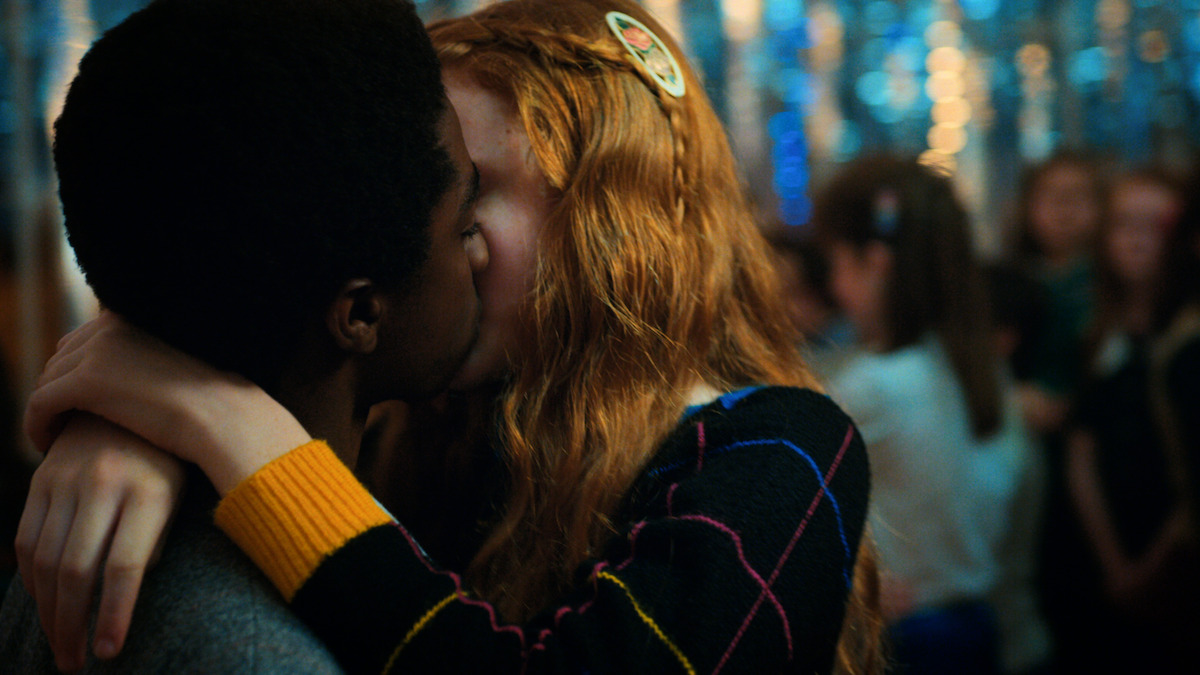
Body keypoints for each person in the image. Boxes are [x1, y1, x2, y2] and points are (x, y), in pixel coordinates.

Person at [16, 1, 881, 674]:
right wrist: (139, 430)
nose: (439, 231)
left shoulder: (782, 448)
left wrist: (218, 419)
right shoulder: (423, 422)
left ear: (612, 230)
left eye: (473, 184)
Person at [2, 0, 488, 672]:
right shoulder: (265, 650)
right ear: (361, 315)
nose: (485, 253)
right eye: (464, 227)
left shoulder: (84, 543)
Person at [812, 155, 1034, 675]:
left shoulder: (876, 384)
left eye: (838, 265)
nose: (835, 289)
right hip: (977, 622)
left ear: (876, 260)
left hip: (908, 637)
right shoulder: (976, 367)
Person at [1054, 168, 1197, 673]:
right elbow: (1082, 450)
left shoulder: (1187, 340)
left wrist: (1150, 573)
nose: (1136, 239)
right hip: (1101, 562)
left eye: (1152, 224)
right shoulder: (1094, 330)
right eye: (1122, 223)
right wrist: (1115, 567)